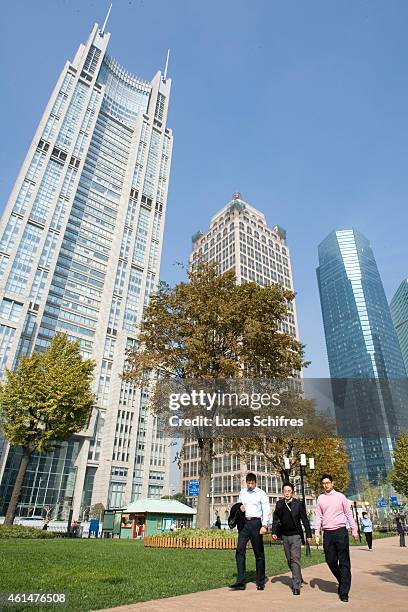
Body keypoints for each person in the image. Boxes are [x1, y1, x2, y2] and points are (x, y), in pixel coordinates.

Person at [314, 474, 358, 603]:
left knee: (344, 562)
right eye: (324, 483)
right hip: (327, 533)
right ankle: (342, 580)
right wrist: (317, 532)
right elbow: (318, 517)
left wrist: (354, 530)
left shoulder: (340, 497)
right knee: (330, 560)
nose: (326, 485)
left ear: (332, 483)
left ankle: (344, 592)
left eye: (328, 482)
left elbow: (348, 514)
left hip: (340, 531)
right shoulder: (320, 499)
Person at [229, 472, 269, 591]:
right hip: (244, 524)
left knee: (259, 553)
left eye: (252, 483)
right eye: (248, 483)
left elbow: (266, 509)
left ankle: (260, 581)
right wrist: (240, 508)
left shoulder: (261, 494)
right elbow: (239, 505)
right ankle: (241, 581)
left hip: (256, 523)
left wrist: (264, 525)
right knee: (239, 551)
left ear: (255, 482)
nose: (250, 485)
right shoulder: (242, 492)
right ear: (246, 482)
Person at [271, 482, 312, 595]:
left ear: (292, 492)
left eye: (289, 491)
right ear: (282, 492)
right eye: (285, 491)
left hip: (296, 536)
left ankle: (296, 586)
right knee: (289, 559)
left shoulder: (298, 504)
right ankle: (298, 575)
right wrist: (274, 532)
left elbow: (304, 520)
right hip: (285, 536)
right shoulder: (279, 504)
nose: (287, 493)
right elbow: (275, 519)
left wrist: (308, 534)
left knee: (295, 558)